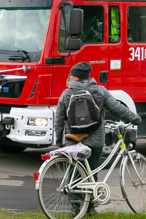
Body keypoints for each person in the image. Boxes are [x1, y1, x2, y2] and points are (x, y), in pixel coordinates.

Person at [54, 62, 141, 211]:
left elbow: (59, 118)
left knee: (74, 170)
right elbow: (117, 108)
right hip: (95, 140)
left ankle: (75, 206)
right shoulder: (99, 91)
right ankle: (89, 208)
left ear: (75, 77)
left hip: (74, 139)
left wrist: (58, 139)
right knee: (92, 172)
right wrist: (135, 119)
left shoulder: (67, 93)